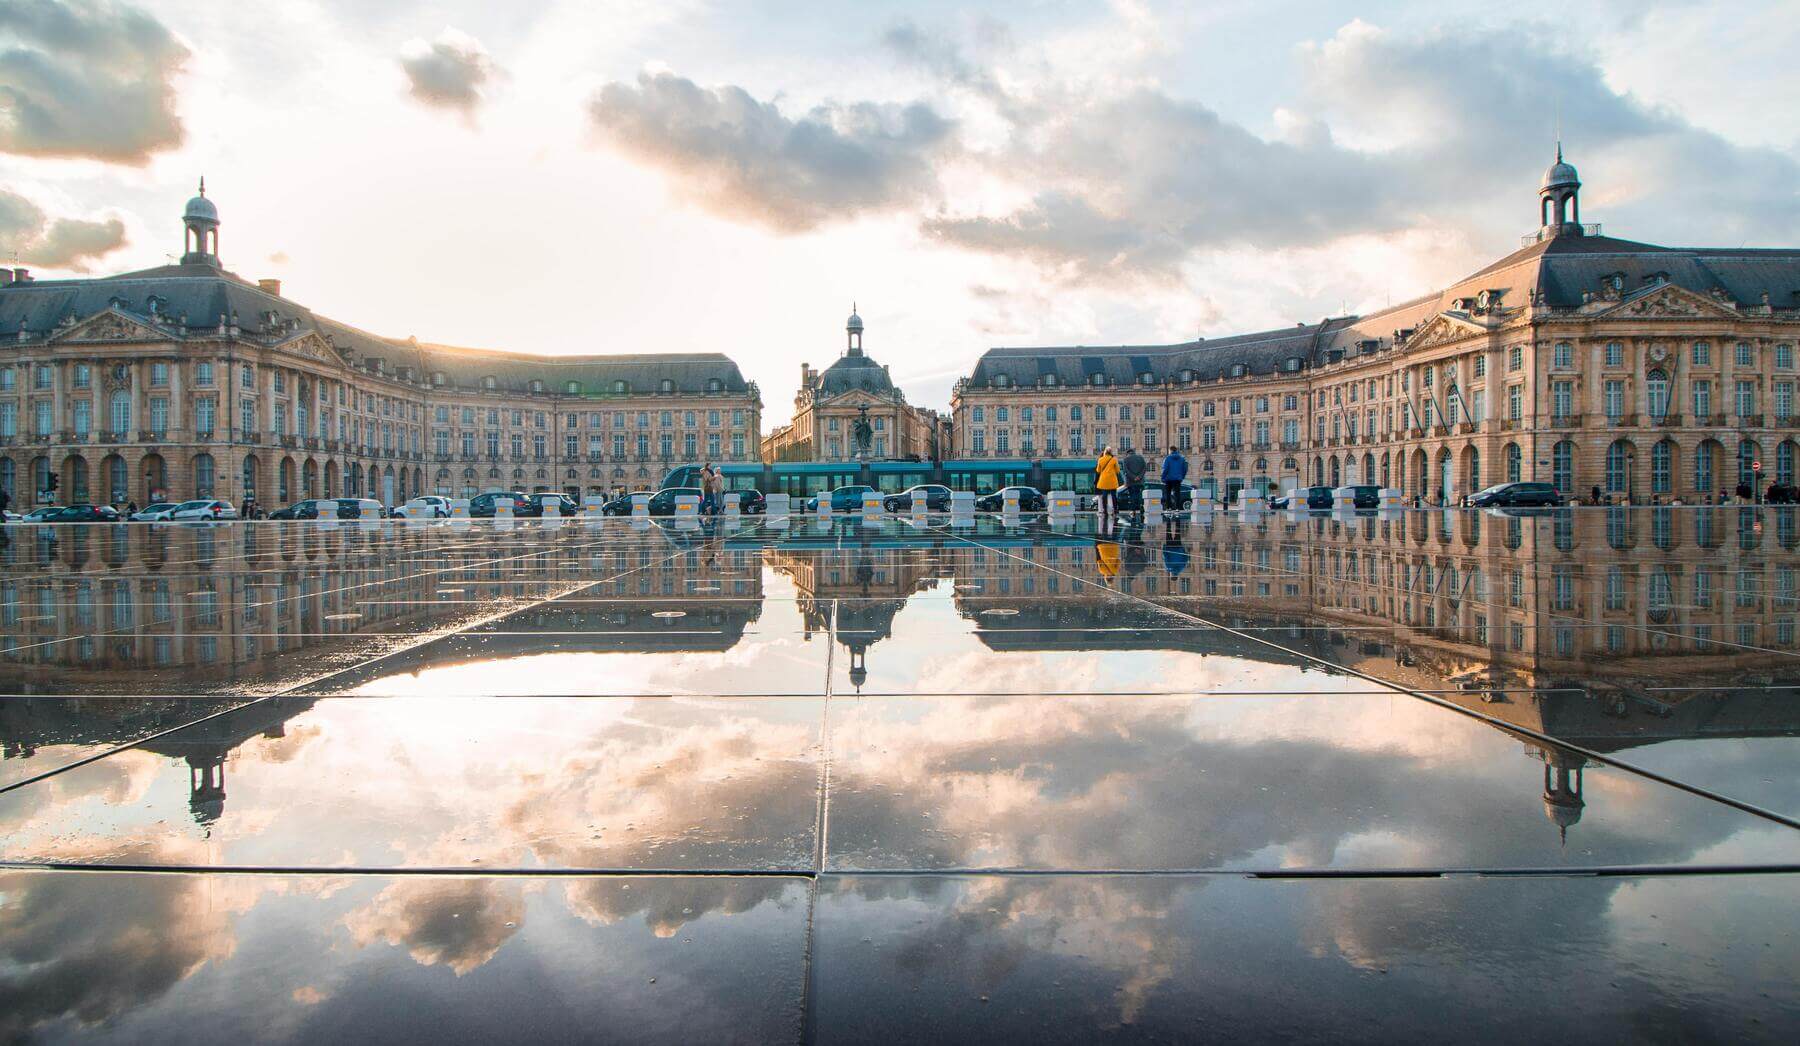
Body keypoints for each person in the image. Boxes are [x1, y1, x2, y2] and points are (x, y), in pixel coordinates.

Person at [1160, 447, 1187, 512]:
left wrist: (1162, 477)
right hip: (1178, 479)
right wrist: (1182, 476)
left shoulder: (1167, 458)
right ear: (1176, 450)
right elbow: (1185, 469)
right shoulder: (1182, 459)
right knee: (1177, 493)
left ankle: (1168, 508)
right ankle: (1177, 508)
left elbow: (1165, 469)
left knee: (1168, 494)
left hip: (1168, 479)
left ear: (1170, 451)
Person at [1095, 447, 1120, 517]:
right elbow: (1118, 470)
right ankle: (1115, 509)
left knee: (1104, 496)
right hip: (1112, 480)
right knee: (1114, 495)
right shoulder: (1114, 459)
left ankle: (1105, 510)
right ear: (1111, 452)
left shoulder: (1100, 459)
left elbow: (1098, 470)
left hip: (1104, 480)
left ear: (1105, 452)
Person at [1122, 446, 1147, 516]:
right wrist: (1139, 476)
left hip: (1130, 481)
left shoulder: (1126, 459)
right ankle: (1141, 507)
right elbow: (1144, 468)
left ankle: (1133, 510)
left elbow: (1125, 471)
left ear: (1127, 453)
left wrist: (1133, 477)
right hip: (1140, 481)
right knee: (1139, 495)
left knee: (1132, 496)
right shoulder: (1141, 458)